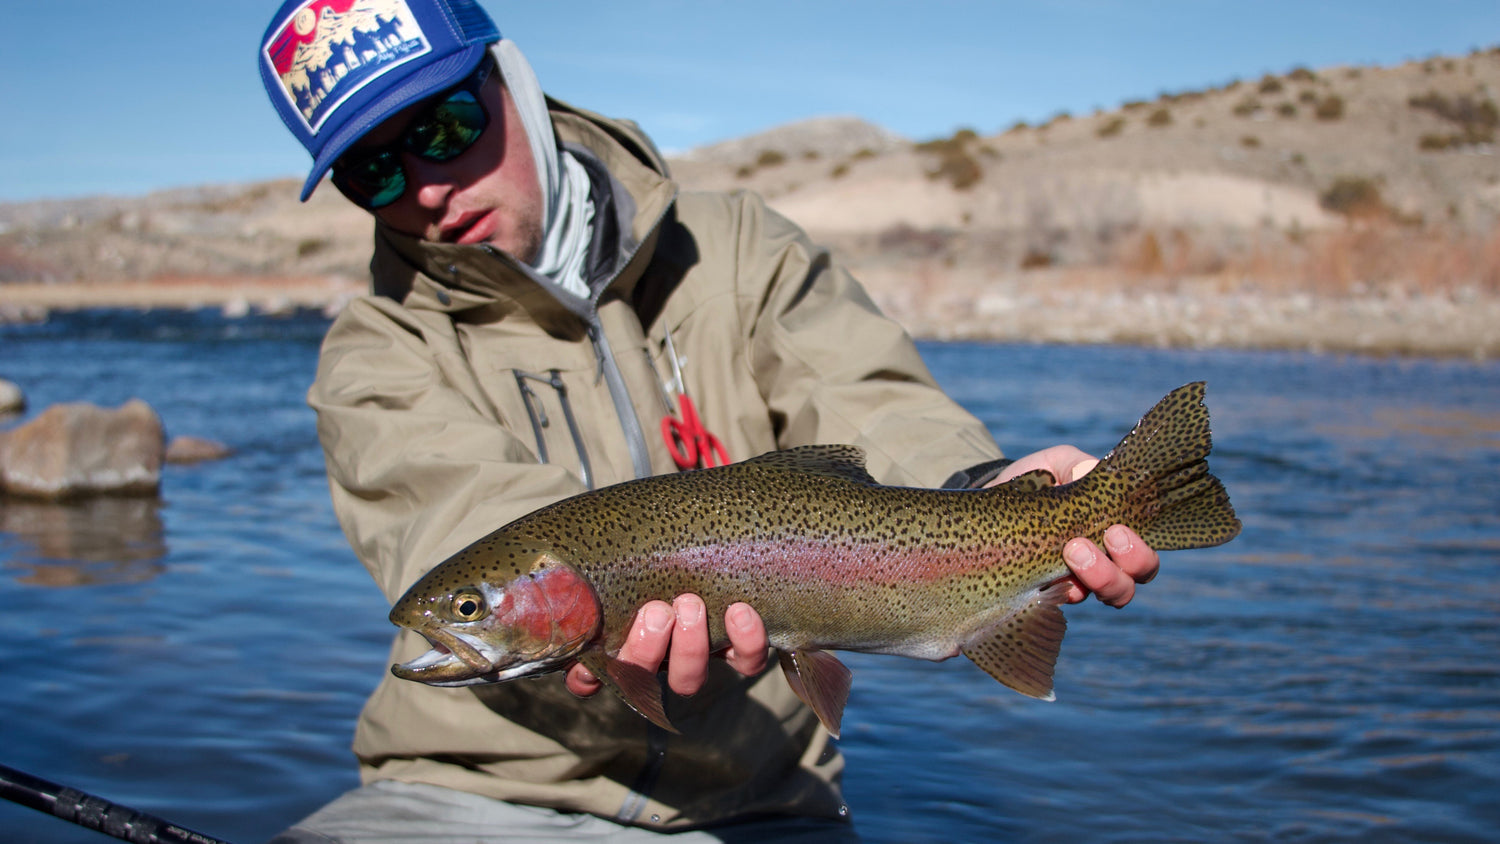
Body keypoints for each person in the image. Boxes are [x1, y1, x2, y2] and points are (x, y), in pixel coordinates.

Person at [258, 1, 1161, 841]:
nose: (425, 187)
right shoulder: (374, 350)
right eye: (372, 171)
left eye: (444, 128)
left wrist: (980, 487)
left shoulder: (734, 249)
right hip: (470, 790)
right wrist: (573, 624)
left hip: (761, 793)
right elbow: (465, 521)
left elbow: (866, 396)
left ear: (513, 82)